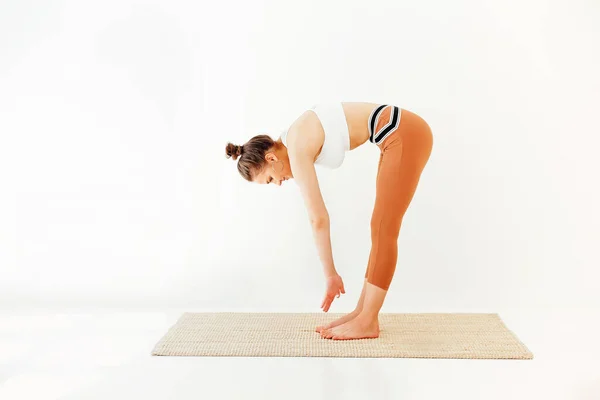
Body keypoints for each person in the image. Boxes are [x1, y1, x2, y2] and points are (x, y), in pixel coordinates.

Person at [225, 102, 433, 340]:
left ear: (271, 158)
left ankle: (368, 320)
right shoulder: (292, 139)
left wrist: (330, 275)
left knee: (384, 226)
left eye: (271, 178)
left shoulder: (297, 146)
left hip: (403, 132)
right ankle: (362, 313)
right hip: (397, 132)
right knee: (379, 226)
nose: (279, 183)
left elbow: (318, 219)